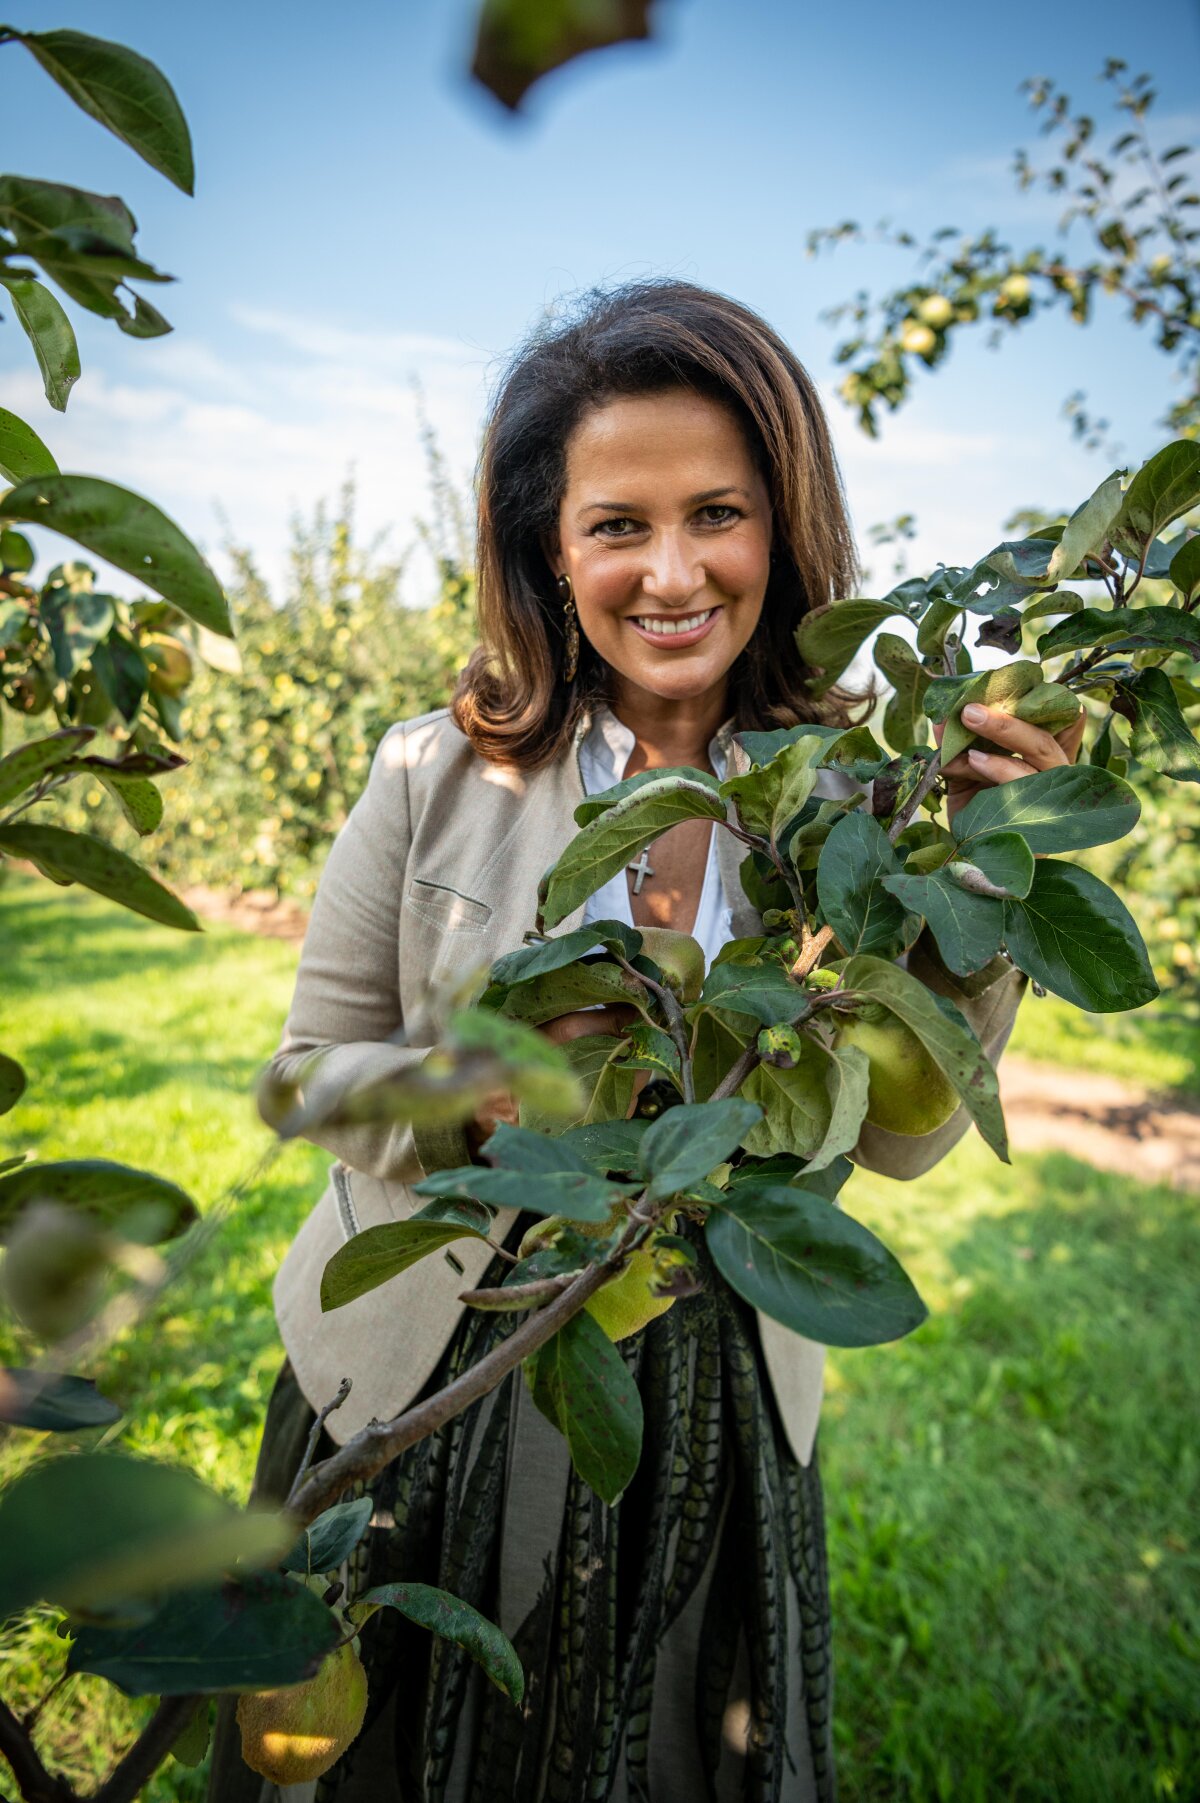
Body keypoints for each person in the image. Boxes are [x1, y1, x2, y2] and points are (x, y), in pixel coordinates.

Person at [208, 280, 1085, 1803]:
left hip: (708, 1383)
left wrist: (982, 883)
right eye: (617, 523)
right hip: (436, 1364)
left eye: (718, 514)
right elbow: (303, 1071)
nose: (671, 571)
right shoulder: (434, 770)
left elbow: (905, 1138)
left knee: (663, 1746)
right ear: (550, 553)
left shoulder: (858, 799)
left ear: (786, 532)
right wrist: (463, 1100)